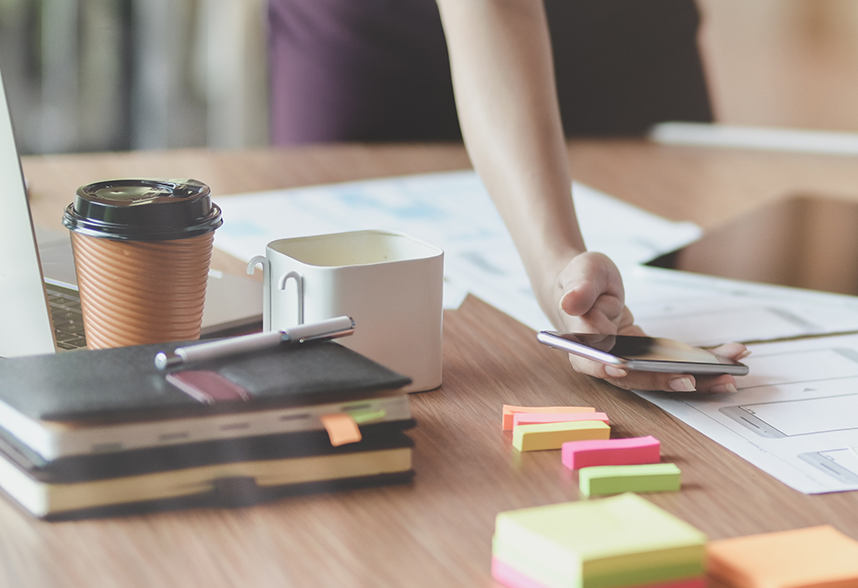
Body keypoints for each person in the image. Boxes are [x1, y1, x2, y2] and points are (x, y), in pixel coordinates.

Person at [270, 0, 743, 392]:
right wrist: (555, 264)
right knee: (342, 309)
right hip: (376, 31)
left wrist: (575, 291)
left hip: (622, 28)